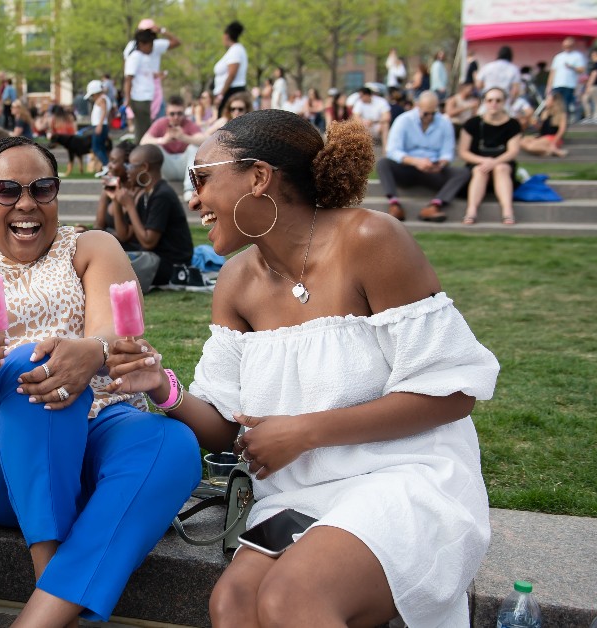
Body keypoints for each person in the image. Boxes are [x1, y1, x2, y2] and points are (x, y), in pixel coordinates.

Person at [109, 110, 499, 628]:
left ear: (259, 177)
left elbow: (453, 392)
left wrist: (304, 432)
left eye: (201, 178)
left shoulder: (370, 239)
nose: (193, 198)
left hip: (406, 478)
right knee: (232, 604)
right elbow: (226, 428)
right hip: (298, 496)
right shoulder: (235, 283)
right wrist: (163, 387)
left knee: (291, 598)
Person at [0, 135, 200, 625]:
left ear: (56, 194)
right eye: (7, 190)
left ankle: (43, 617)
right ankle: (49, 574)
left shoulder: (91, 247)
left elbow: (112, 331)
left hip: (96, 427)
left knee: (172, 443)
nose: (26, 203)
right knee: (30, 364)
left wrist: (93, 351)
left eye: (41, 188)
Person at [106, 144, 194, 289]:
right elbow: (124, 235)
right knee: (109, 248)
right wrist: (116, 199)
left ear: (144, 167)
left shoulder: (162, 195)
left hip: (172, 264)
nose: (127, 171)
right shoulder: (147, 195)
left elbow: (148, 242)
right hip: (153, 257)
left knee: (113, 266)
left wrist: (130, 206)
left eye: (130, 166)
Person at [376, 91, 466, 222]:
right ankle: (394, 205)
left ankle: (435, 206)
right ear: (417, 106)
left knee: (462, 173)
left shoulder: (444, 123)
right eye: (426, 113)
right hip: (407, 167)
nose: (429, 117)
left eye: (433, 113)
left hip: (433, 169)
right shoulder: (403, 120)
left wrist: (441, 164)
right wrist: (415, 161)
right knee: (383, 163)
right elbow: (393, 150)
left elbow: (447, 152)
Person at [458, 88, 522, 225]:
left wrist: (494, 162)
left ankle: (507, 211)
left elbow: (513, 151)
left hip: (503, 163)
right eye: (490, 100)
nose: (494, 104)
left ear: (504, 102)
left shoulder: (513, 124)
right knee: (480, 170)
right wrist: (484, 161)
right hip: (477, 163)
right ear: (484, 102)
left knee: (501, 168)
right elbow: (463, 152)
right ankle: (471, 210)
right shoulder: (472, 124)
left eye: (498, 100)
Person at [123, 22, 180, 140]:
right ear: (142, 44)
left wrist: (158, 75)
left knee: (147, 128)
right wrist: (127, 99)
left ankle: (146, 148)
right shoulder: (135, 56)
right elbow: (128, 79)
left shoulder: (144, 57)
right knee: (143, 131)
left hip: (147, 97)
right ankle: (142, 149)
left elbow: (145, 74)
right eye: (150, 46)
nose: (152, 48)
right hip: (139, 98)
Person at [140, 95, 206, 197]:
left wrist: (183, 137)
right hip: (166, 169)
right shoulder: (160, 123)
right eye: (172, 114)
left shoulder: (189, 123)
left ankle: (189, 189)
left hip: (185, 168)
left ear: (184, 113)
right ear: (167, 113)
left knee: (194, 148)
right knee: (153, 148)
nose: (176, 117)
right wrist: (163, 140)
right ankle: (153, 188)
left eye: (179, 113)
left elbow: (205, 140)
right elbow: (143, 142)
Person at [212, 21, 248, 115]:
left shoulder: (236, 50)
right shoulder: (234, 50)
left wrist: (221, 95)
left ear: (226, 36)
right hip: (229, 92)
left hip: (232, 92)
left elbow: (232, 74)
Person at [548, 37, 586, 119]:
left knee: (565, 105)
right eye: (565, 45)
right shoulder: (558, 57)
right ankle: (556, 121)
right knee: (555, 105)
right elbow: (553, 72)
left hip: (569, 85)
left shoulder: (577, 56)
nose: (567, 47)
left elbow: (581, 70)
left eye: (569, 45)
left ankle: (564, 122)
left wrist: (572, 67)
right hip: (557, 84)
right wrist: (549, 86)